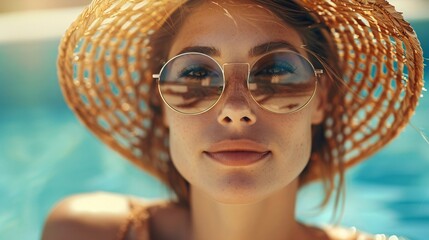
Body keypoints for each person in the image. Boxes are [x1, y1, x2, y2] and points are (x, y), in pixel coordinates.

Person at [42, 0, 424, 239]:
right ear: (159, 103)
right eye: (195, 75)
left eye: (277, 73)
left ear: (321, 100)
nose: (235, 108)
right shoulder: (87, 232)